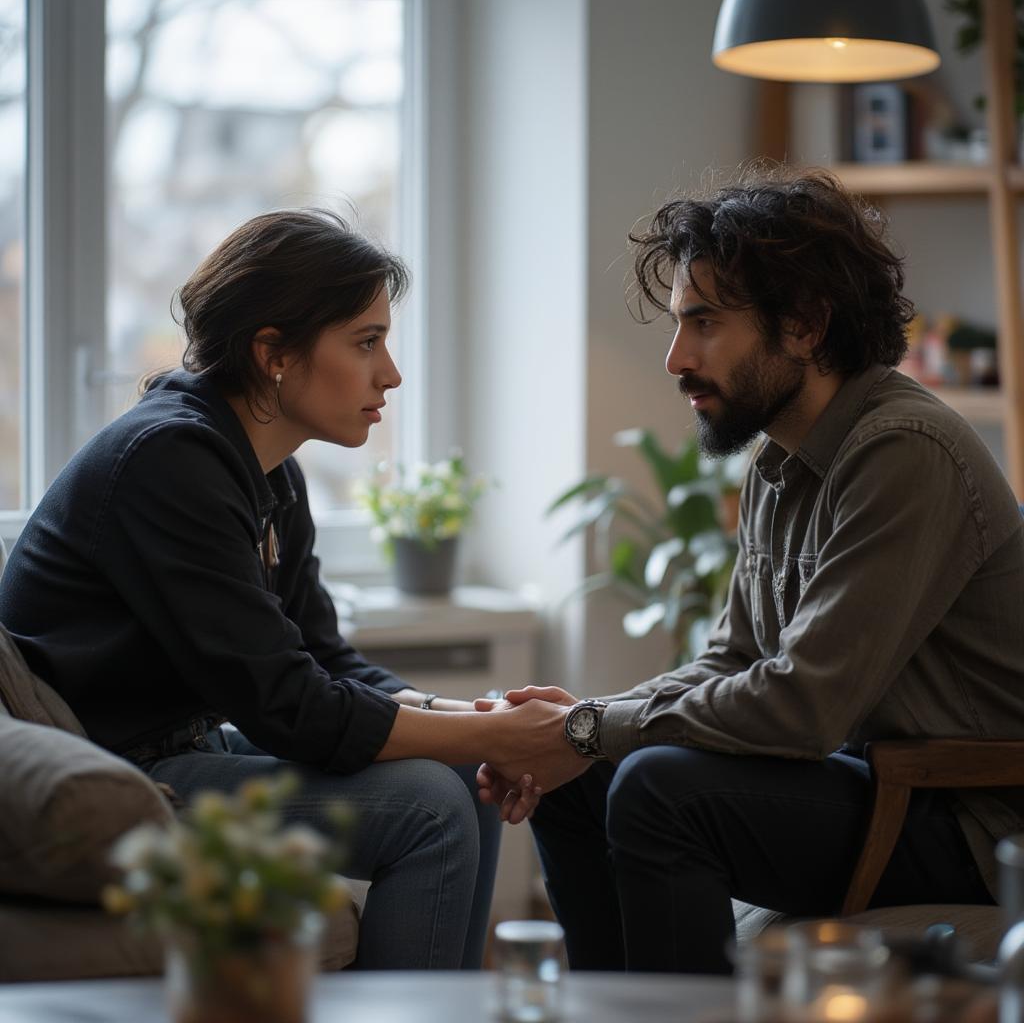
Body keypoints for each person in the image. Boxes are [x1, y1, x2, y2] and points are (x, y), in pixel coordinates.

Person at [477, 167, 1024, 974]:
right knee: (582, 779)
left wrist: (590, 730)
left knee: (658, 789)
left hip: (966, 815)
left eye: (704, 324)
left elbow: (803, 705)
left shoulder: (905, 452)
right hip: (873, 785)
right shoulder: (780, 459)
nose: (674, 358)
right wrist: (582, 725)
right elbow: (732, 661)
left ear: (804, 325)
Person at [0, 208, 560, 970]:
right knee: (430, 808)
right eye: (366, 342)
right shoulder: (170, 461)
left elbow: (326, 658)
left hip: (183, 750)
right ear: (274, 353)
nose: (390, 373)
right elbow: (290, 707)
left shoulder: (265, 471)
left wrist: (481, 718)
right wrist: (492, 735)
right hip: (120, 781)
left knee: (462, 773)